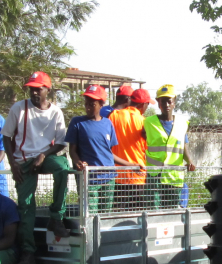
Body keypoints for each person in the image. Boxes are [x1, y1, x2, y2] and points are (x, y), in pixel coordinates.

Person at [3, 71, 70, 264]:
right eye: (31, 88)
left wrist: (43, 155)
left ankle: (56, 217)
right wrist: (13, 164)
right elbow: (6, 136)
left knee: (63, 168)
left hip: (45, 157)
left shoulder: (56, 112)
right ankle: (28, 253)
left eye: (38, 88)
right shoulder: (19, 108)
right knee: (25, 206)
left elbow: (60, 142)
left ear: (47, 90)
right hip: (22, 160)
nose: (33, 92)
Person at [68, 85, 141, 214]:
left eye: (92, 104)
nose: (88, 107)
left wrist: (131, 165)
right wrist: (77, 161)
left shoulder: (108, 123)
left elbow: (109, 153)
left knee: (105, 216)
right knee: (90, 215)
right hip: (89, 179)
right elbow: (72, 150)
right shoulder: (77, 122)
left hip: (108, 178)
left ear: (101, 104)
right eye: (86, 104)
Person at [144, 84, 195, 209]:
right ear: (158, 103)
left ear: (174, 103)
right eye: (163, 101)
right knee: (153, 211)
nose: (166, 105)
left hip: (174, 176)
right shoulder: (148, 122)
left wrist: (190, 162)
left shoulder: (182, 124)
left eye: (169, 101)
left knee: (172, 212)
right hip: (155, 175)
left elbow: (184, 147)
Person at [111, 86, 149, 210]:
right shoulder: (144, 122)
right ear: (144, 104)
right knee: (136, 217)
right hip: (138, 175)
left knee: (117, 213)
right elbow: (147, 149)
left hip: (118, 176)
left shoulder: (114, 116)